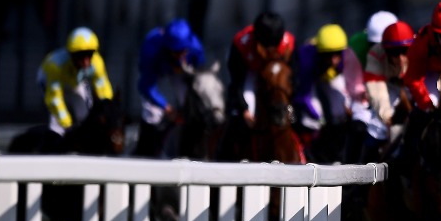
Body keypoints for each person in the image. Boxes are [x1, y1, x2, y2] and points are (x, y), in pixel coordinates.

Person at [397, 0, 441, 169]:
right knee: (427, 110)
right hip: (432, 73)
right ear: (435, 34)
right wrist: (427, 104)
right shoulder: (421, 44)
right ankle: (407, 156)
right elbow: (413, 78)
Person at [218, 11, 296, 160]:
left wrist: (291, 103)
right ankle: (223, 153)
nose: (271, 50)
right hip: (251, 73)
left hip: (275, 76)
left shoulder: (289, 43)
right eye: (267, 47)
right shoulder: (241, 43)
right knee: (241, 117)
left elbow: (294, 77)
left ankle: (305, 152)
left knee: (294, 115)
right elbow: (236, 82)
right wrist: (244, 109)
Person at [293, 23, 370, 163]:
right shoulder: (307, 59)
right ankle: (309, 149)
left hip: (331, 78)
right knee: (311, 118)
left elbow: (353, 86)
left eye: (337, 54)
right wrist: (319, 118)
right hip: (312, 80)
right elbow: (302, 96)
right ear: (319, 53)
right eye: (328, 55)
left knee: (339, 112)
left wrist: (355, 106)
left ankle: (339, 147)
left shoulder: (347, 55)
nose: (334, 60)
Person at [133, 18, 206, 157]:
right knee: (152, 113)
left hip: (183, 73)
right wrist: (166, 107)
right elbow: (145, 85)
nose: (181, 56)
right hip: (157, 71)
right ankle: (146, 152)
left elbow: (199, 78)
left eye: (184, 51)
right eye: (176, 52)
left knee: (193, 109)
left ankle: (194, 152)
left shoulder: (196, 48)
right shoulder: (151, 46)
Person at [36, 26, 114, 153]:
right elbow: (55, 99)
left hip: (74, 82)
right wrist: (67, 124)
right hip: (51, 82)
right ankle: (53, 147)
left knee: (85, 116)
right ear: (71, 54)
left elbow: (103, 89)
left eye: (89, 54)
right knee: (57, 124)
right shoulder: (55, 66)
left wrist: (108, 110)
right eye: (81, 55)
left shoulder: (97, 62)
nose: (86, 61)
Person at [363, 19, 415, 154]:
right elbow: (377, 91)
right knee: (377, 127)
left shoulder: (420, 48)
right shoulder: (375, 54)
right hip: (391, 88)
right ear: (385, 51)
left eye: (404, 51)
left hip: (415, 86)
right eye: (395, 52)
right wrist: (387, 116)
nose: (400, 58)